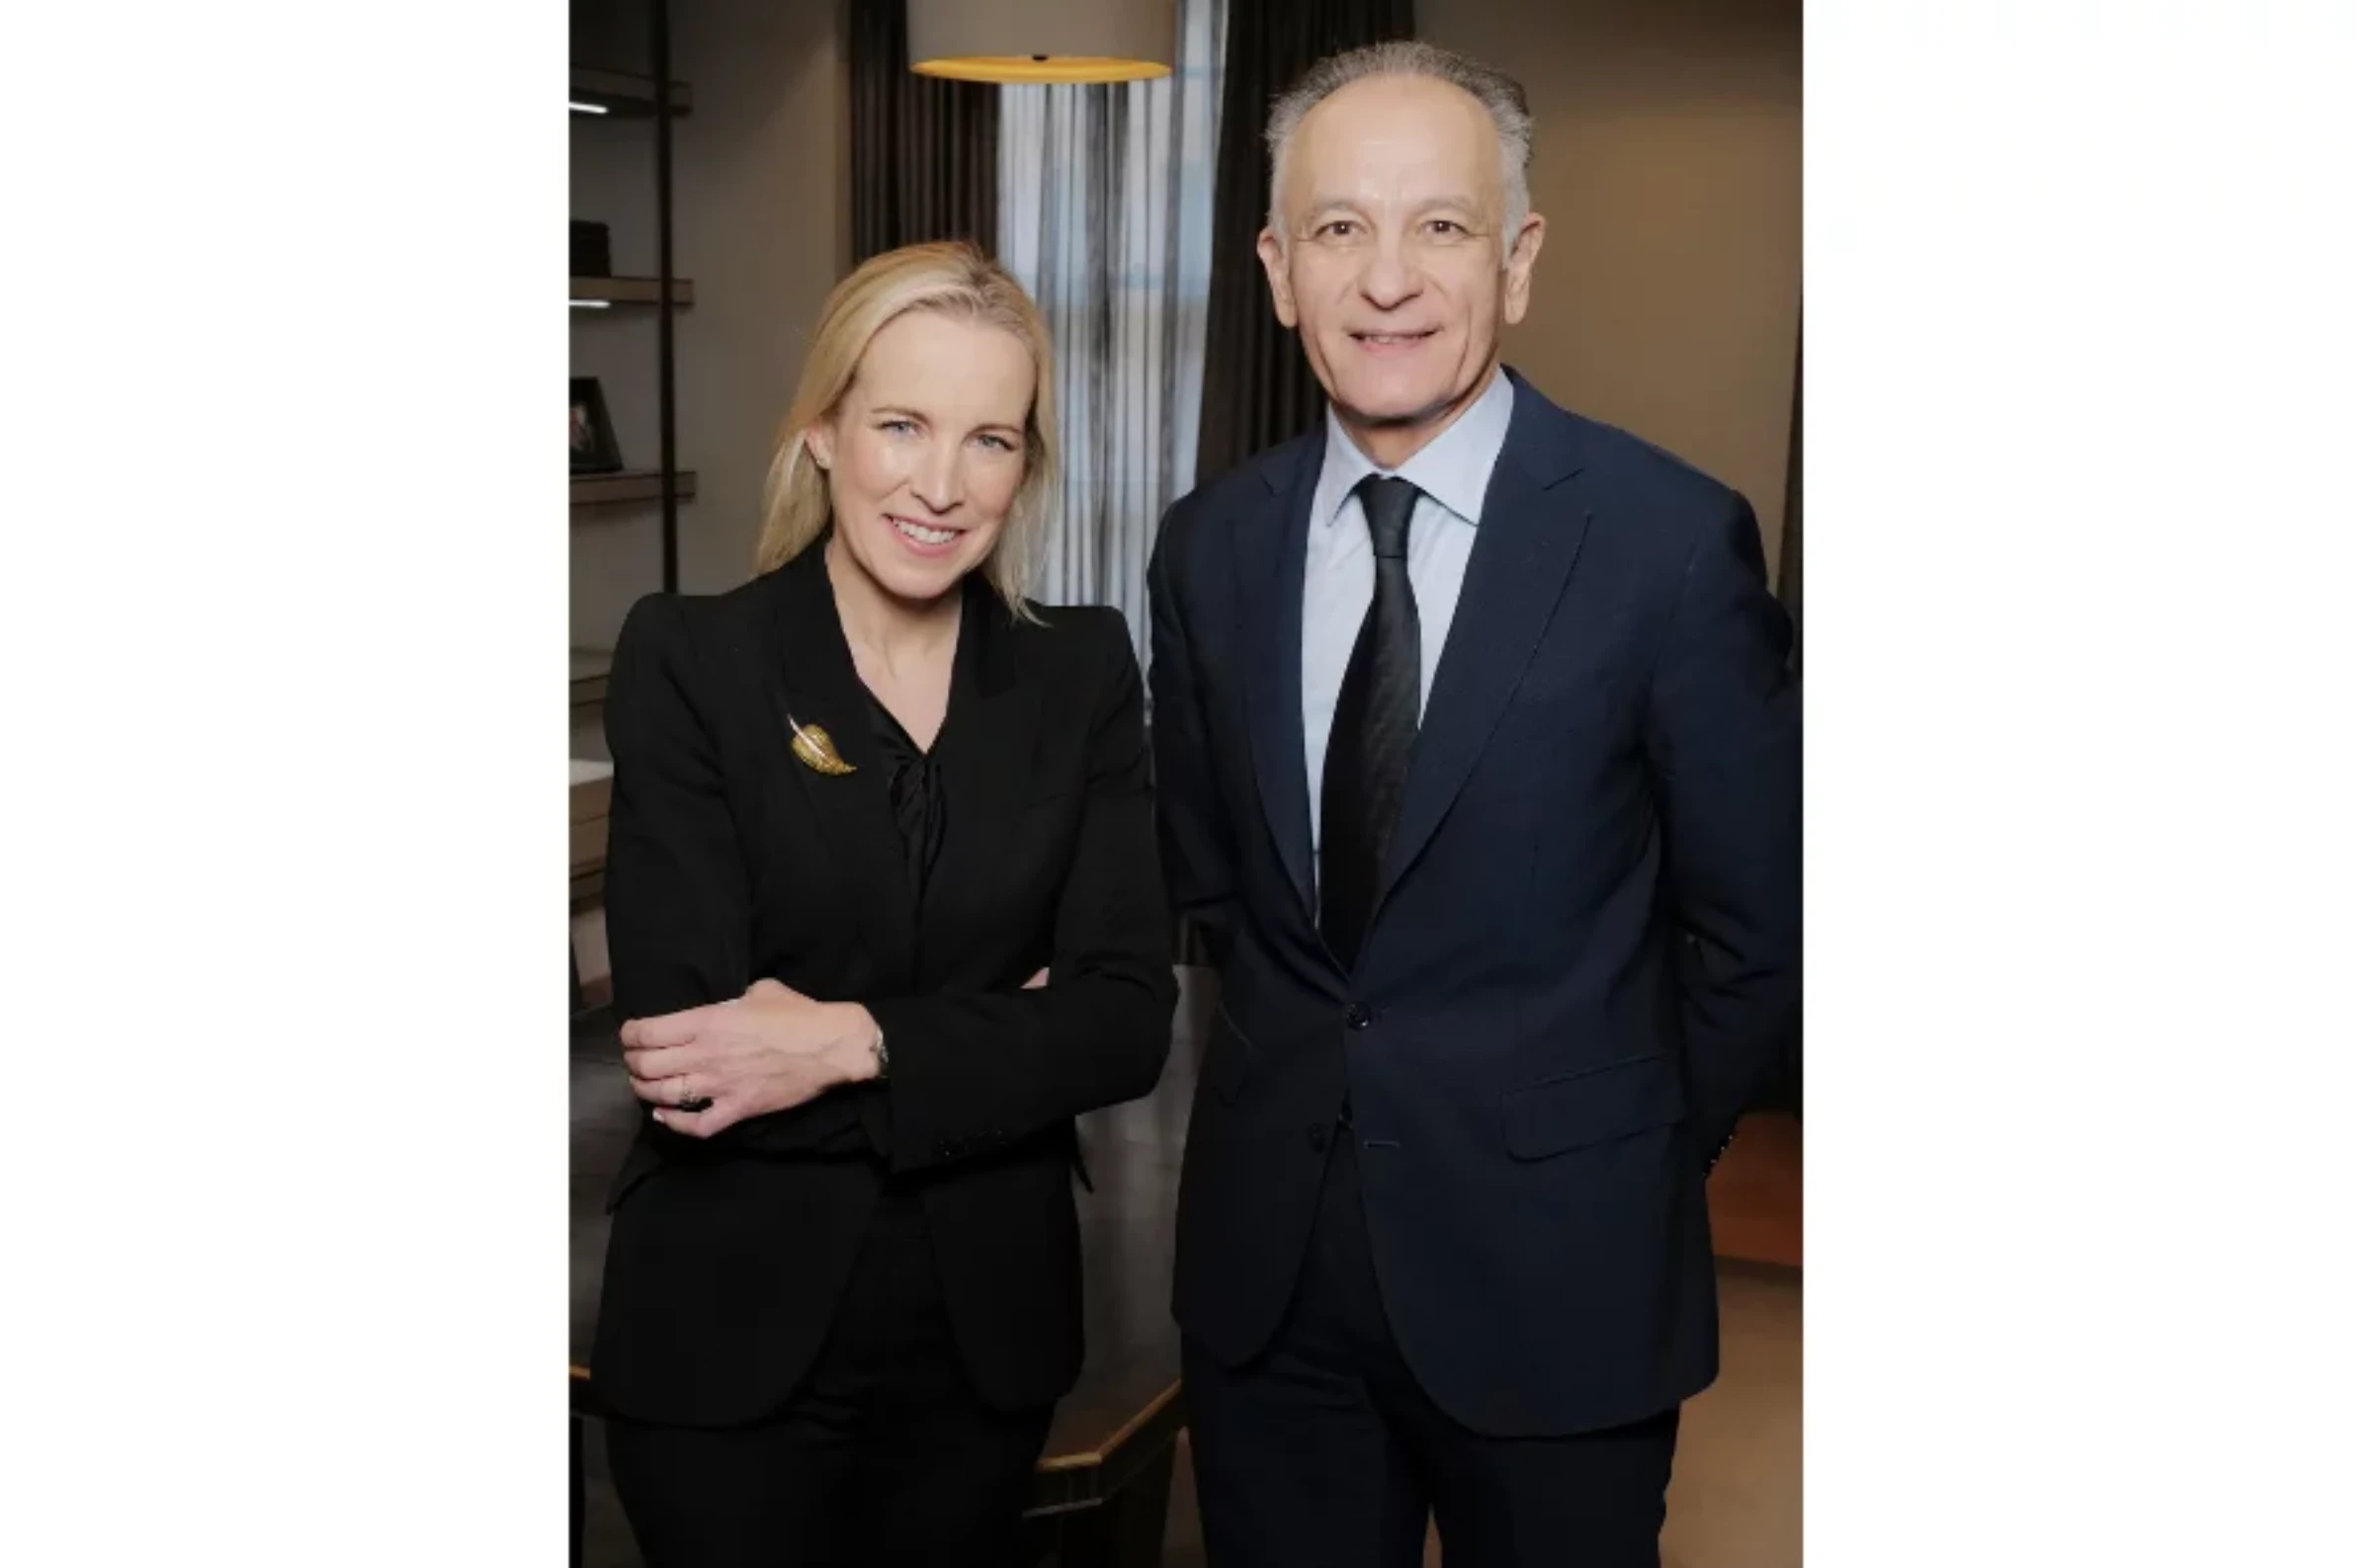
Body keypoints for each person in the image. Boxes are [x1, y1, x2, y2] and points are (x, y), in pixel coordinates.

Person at [1146, 41, 1801, 1568]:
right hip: (1270, 1299)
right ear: (1275, 267)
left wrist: (1612, 1151)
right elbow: (1218, 887)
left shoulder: (1668, 542)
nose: (1386, 279)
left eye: (1440, 226)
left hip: (1563, 1284)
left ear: (1518, 260)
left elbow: (1756, 934)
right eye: (1337, 228)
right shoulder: (1208, 550)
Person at [590, 240, 1178, 1568]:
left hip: (981, 1344)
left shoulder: (1079, 671)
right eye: (900, 424)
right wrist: (1002, 1038)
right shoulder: (693, 659)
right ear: (820, 431)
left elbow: (1124, 1022)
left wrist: (844, 1040)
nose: (939, 482)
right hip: (726, 1339)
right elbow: (693, 1048)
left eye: (989, 438)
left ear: (1024, 467)